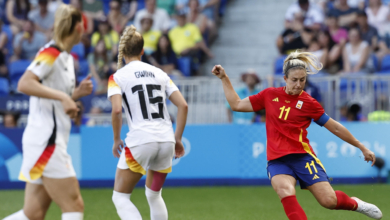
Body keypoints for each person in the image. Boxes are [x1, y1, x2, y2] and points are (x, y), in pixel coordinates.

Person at [211, 51, 382, 220]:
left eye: (302, 80)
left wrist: (361, 146)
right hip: (277, 159)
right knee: (285, 191)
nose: (299, 84)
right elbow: (236, 104)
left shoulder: (309, 102)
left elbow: (335, 127)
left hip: (303, 157)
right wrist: (224, 78)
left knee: (329, 201)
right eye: (294, 80)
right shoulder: (269, 95)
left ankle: (356, 204)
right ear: (285, 79)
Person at [3, 4, 93, 220]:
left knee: (33, 214)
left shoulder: (67, 59)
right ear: (78, 27)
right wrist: (64, 97)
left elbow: (53, 97)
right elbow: (24, 83)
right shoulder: (51, 52)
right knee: (74, 205)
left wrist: (74, 94)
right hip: (46, 143)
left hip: (46, 141)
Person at [108, 25, 188, 220]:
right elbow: (183, 106)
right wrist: (177, 138)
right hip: (166, 140)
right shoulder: (159, 73)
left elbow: (117, 110)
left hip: (141, 140)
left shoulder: (117, 77)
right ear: (142, 50)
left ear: (123, 51)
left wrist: (116, 139)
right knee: (154, 195)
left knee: (120, 197)